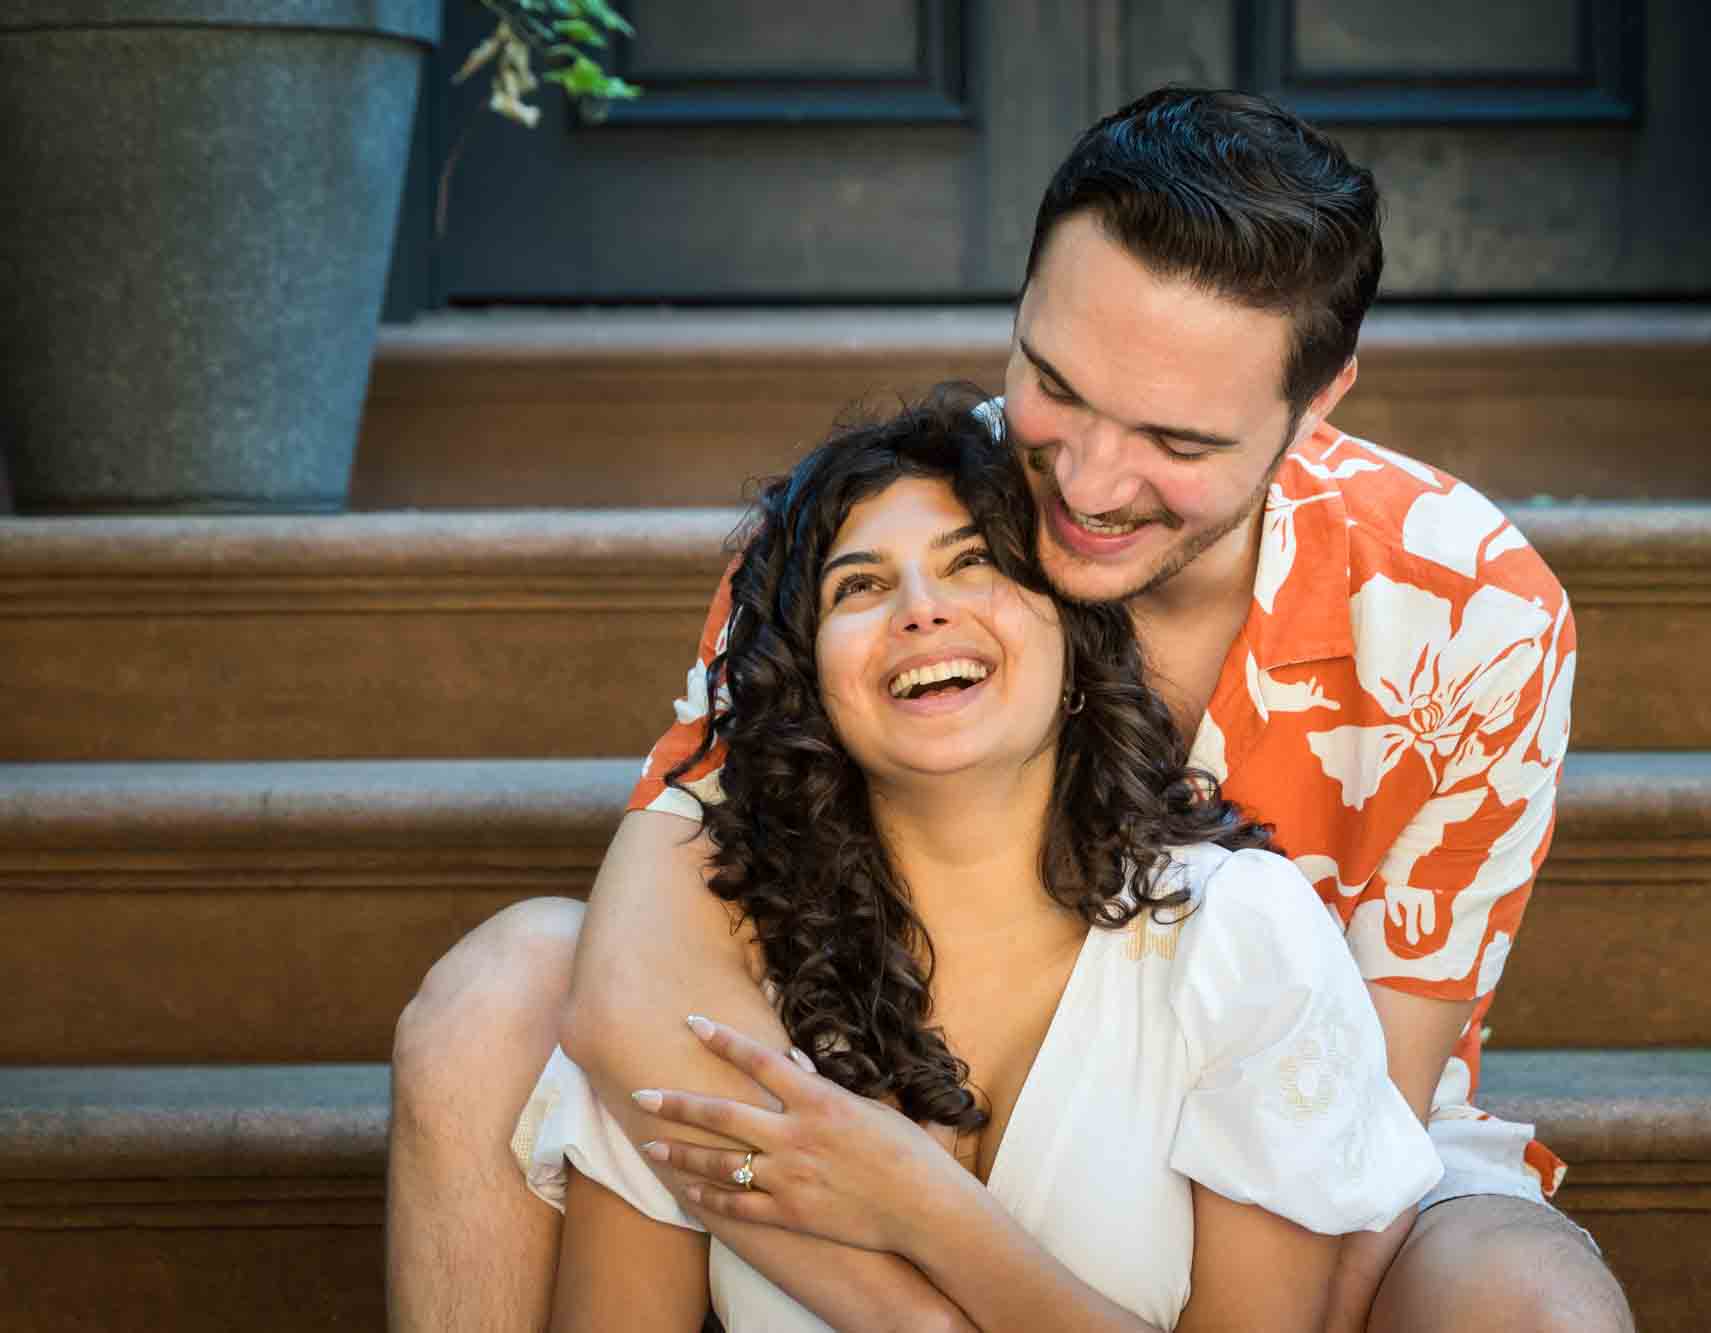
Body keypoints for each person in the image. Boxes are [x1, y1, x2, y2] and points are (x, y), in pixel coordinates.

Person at [389, 87, 1632, 1332]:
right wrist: (904, 1296)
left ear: (1317, 404)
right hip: (882, 1063)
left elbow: (1369, 1116)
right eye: (1055, 383)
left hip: (1303, 1140)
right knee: (504, 986)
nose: (1086, 483)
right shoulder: (894, 528)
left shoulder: (1472, 607)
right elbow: (643, 950)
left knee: (1527, 1306)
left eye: (1175, 440)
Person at [511, 392, 1442, 1330]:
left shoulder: (1238, 938)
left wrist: (925, 1211)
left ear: (1076, 639)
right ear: (809, 691)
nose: (922, 611)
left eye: (975, 564)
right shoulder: (706, 981)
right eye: (859, 587)